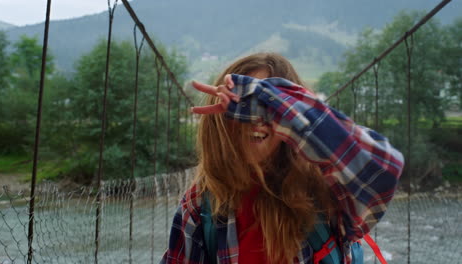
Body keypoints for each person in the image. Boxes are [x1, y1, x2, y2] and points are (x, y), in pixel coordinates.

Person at [160, 53, 404, 264]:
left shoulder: (328, 191)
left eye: (266, 108)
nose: (255, 119)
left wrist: (276, 105)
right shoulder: (200, 203)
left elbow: (383, 168)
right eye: (242, 106)